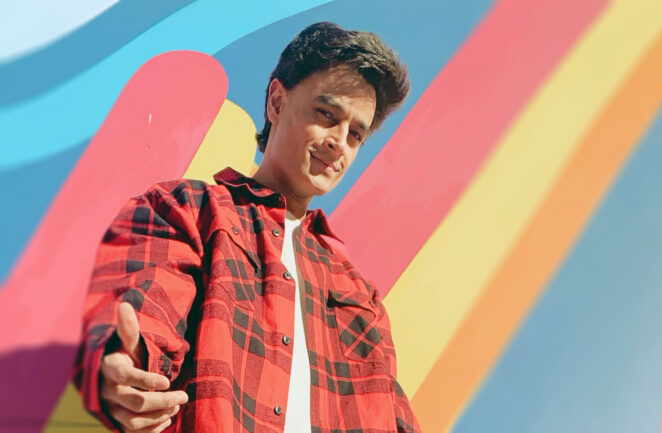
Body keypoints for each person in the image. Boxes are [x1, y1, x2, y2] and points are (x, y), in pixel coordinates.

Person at [72, 22, 421, 433]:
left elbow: (392, 414)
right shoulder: (188, 209)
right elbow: (148, 318)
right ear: (276, 101)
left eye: (356, 134)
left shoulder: (359, 293)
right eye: (327, 115)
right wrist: (125, 367)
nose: (339, 142)